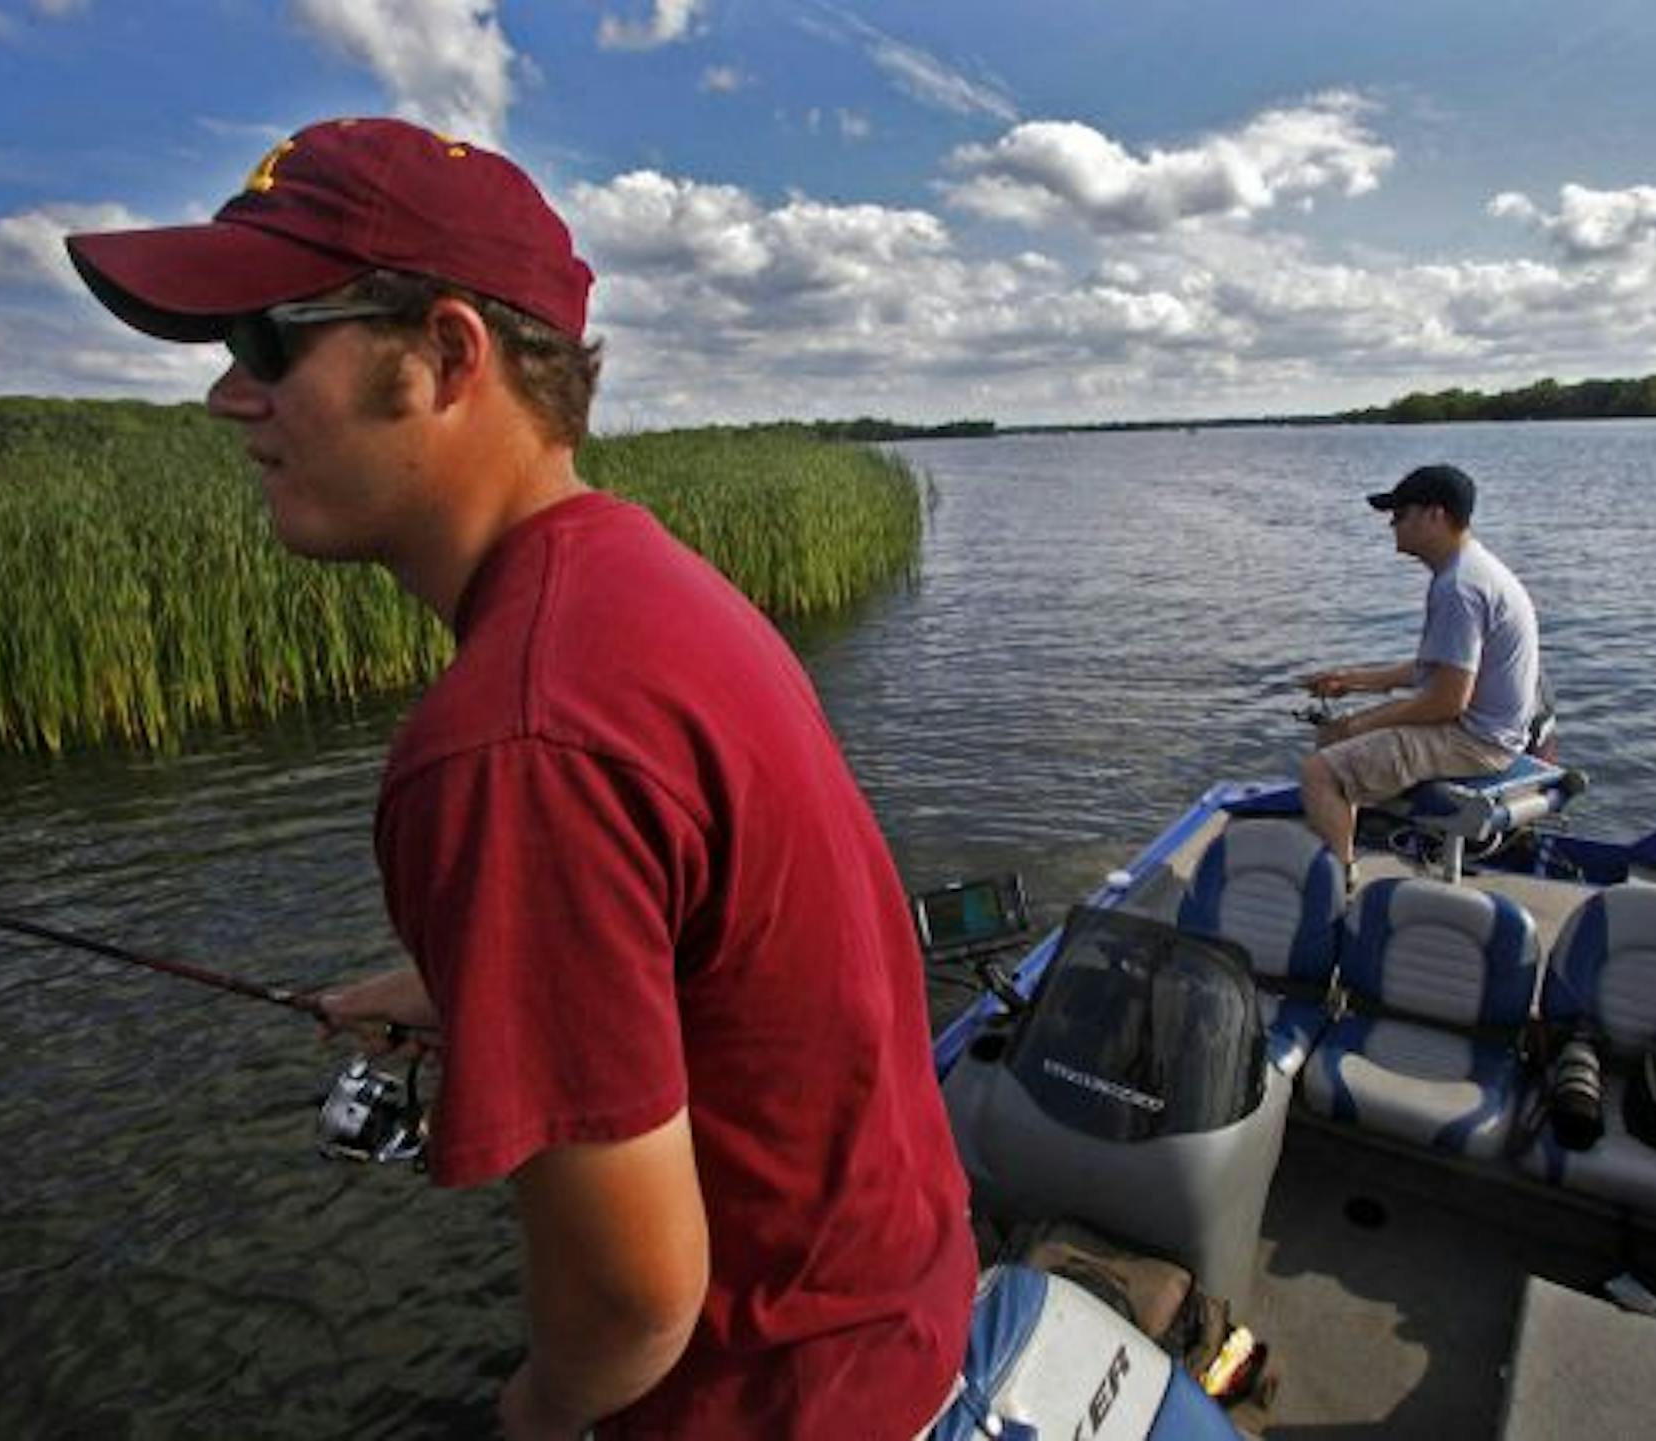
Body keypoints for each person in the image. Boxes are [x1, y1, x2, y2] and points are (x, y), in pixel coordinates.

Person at [64, 116, 974, 1440]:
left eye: (266, 340)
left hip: (777, 1403)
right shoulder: (649, 584)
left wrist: (533, 1418)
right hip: (896, 1317)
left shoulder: (508, 741)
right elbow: (721, 945)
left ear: (447, 355)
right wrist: (478, 991)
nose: (226, 396)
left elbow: (633, 1306)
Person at [1298, 464, 1540, 891]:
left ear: (1435, 515)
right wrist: (1352, 680)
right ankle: (1341, 847)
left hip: (1476, 742)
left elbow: (1448, 701)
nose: (1392, 524)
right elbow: (1436, 669)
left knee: (1320, 771)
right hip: (1492, 732)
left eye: (1400, 513)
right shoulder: (1472, 569)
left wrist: (1360, 723)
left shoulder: (1459, 587)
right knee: (1334, 738)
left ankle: (1336, 887)